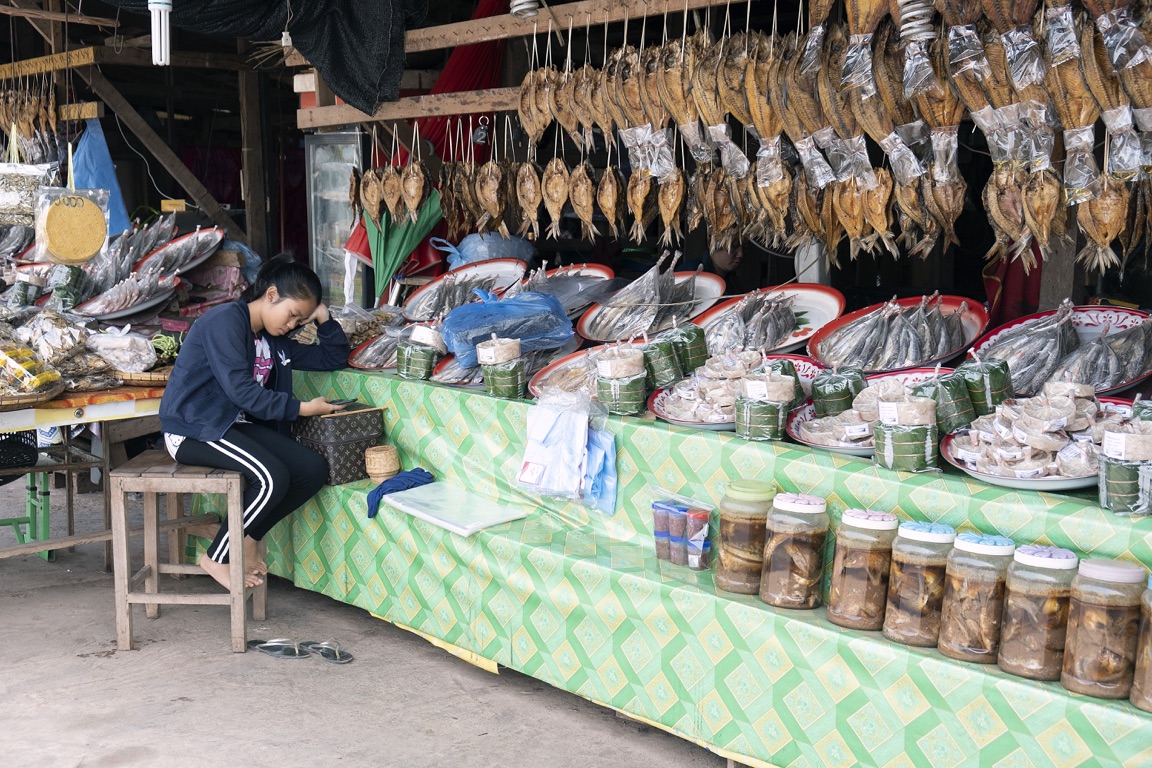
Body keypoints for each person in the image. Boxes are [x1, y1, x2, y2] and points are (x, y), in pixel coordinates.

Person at [159, 255, 351, 590]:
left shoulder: (273, 340)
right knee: (272, 477)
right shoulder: (224, 322)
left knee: (311, 469)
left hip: (230, 426)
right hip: (194, 427)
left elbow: (332, 357)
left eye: (300, 320)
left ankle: (248, 535)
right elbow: (241, 392)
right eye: (293, 315)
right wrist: (302, 408)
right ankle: (215, 557)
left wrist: (322, 319)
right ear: (272, 294)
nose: (292, 324)